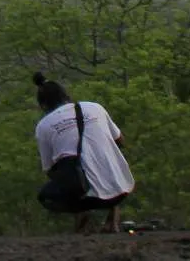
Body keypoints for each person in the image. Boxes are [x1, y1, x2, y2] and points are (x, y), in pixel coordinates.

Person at [33, 71, 134, 233]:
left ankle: (82, 214)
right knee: (108, 156)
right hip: (121, 187)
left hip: (84, 195)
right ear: (66, 95)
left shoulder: (44, 126)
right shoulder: (95, 107)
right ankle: (112, 220)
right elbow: (120, 140)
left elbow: (49, 169)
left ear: (43, 105)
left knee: (48, 194)